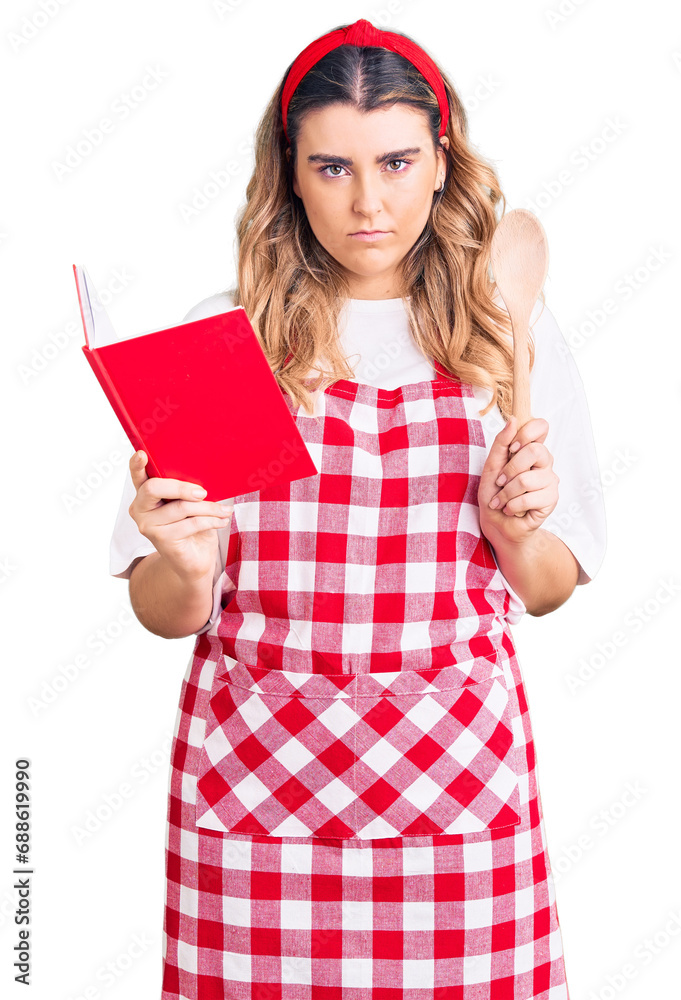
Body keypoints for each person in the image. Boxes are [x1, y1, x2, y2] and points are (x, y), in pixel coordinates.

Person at [109, 18, 606, 999]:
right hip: (258, 815)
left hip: (454, 806)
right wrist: (190, 566)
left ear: (441, 160)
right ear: (288, 171)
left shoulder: (507, 327)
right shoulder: (228, 338)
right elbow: (164, 612)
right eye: (332, 166)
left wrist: (518, 537)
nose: (368, 202)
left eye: (396, 162)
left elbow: (550, 590)